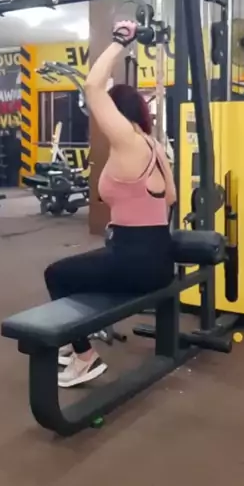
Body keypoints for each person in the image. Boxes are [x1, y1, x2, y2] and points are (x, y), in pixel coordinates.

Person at [44, 20, 177, 388]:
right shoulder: (153, 146)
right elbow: (171, 197)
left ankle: (85, 357)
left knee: (56, 275)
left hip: (134, 261)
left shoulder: (126, 142)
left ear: (116, 112)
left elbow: (92, 87)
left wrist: (121, 40)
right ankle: (76, 335)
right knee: (84, 269)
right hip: (159, 260)